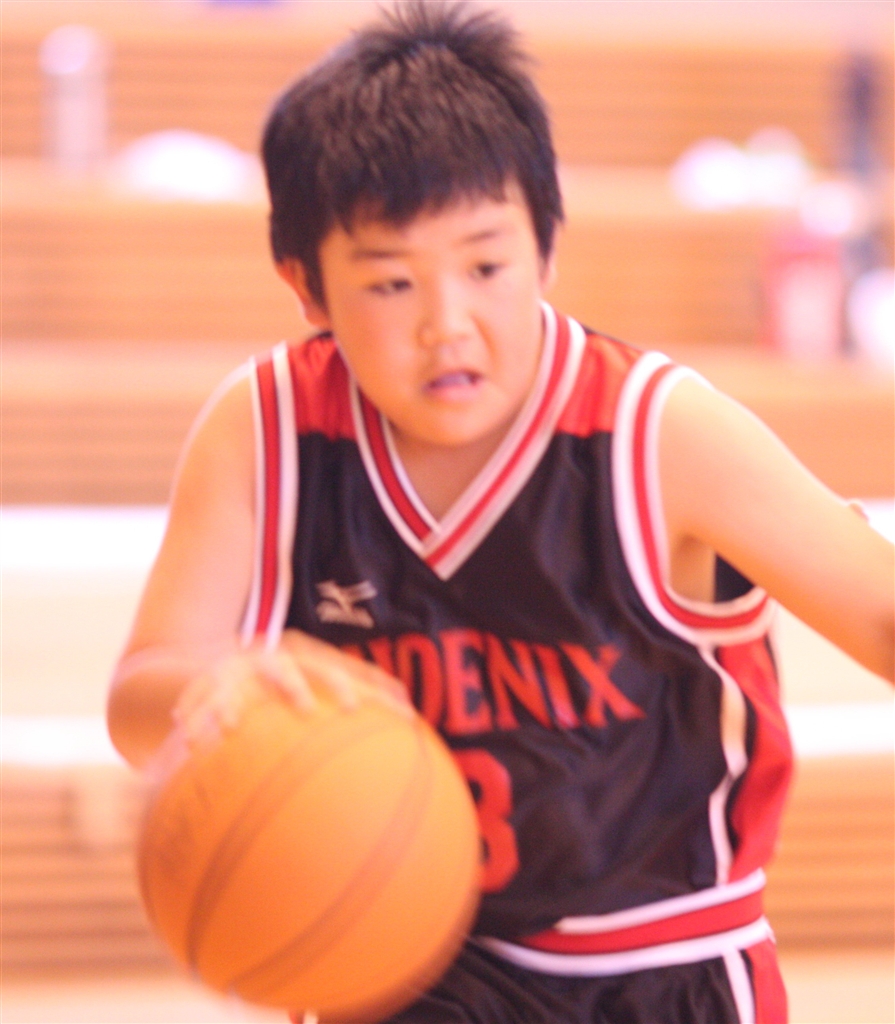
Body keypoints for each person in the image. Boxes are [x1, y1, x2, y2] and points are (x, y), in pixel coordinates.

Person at [107, 3, 894, 1022]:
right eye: (391, 282)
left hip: (663, 970)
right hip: (401, 972)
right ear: (307, 288)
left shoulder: (656, 432)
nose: (448, 324)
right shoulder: (264, 428)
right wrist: (221, 686)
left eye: (485, 266)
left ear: (546, 246)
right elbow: (139, 694)